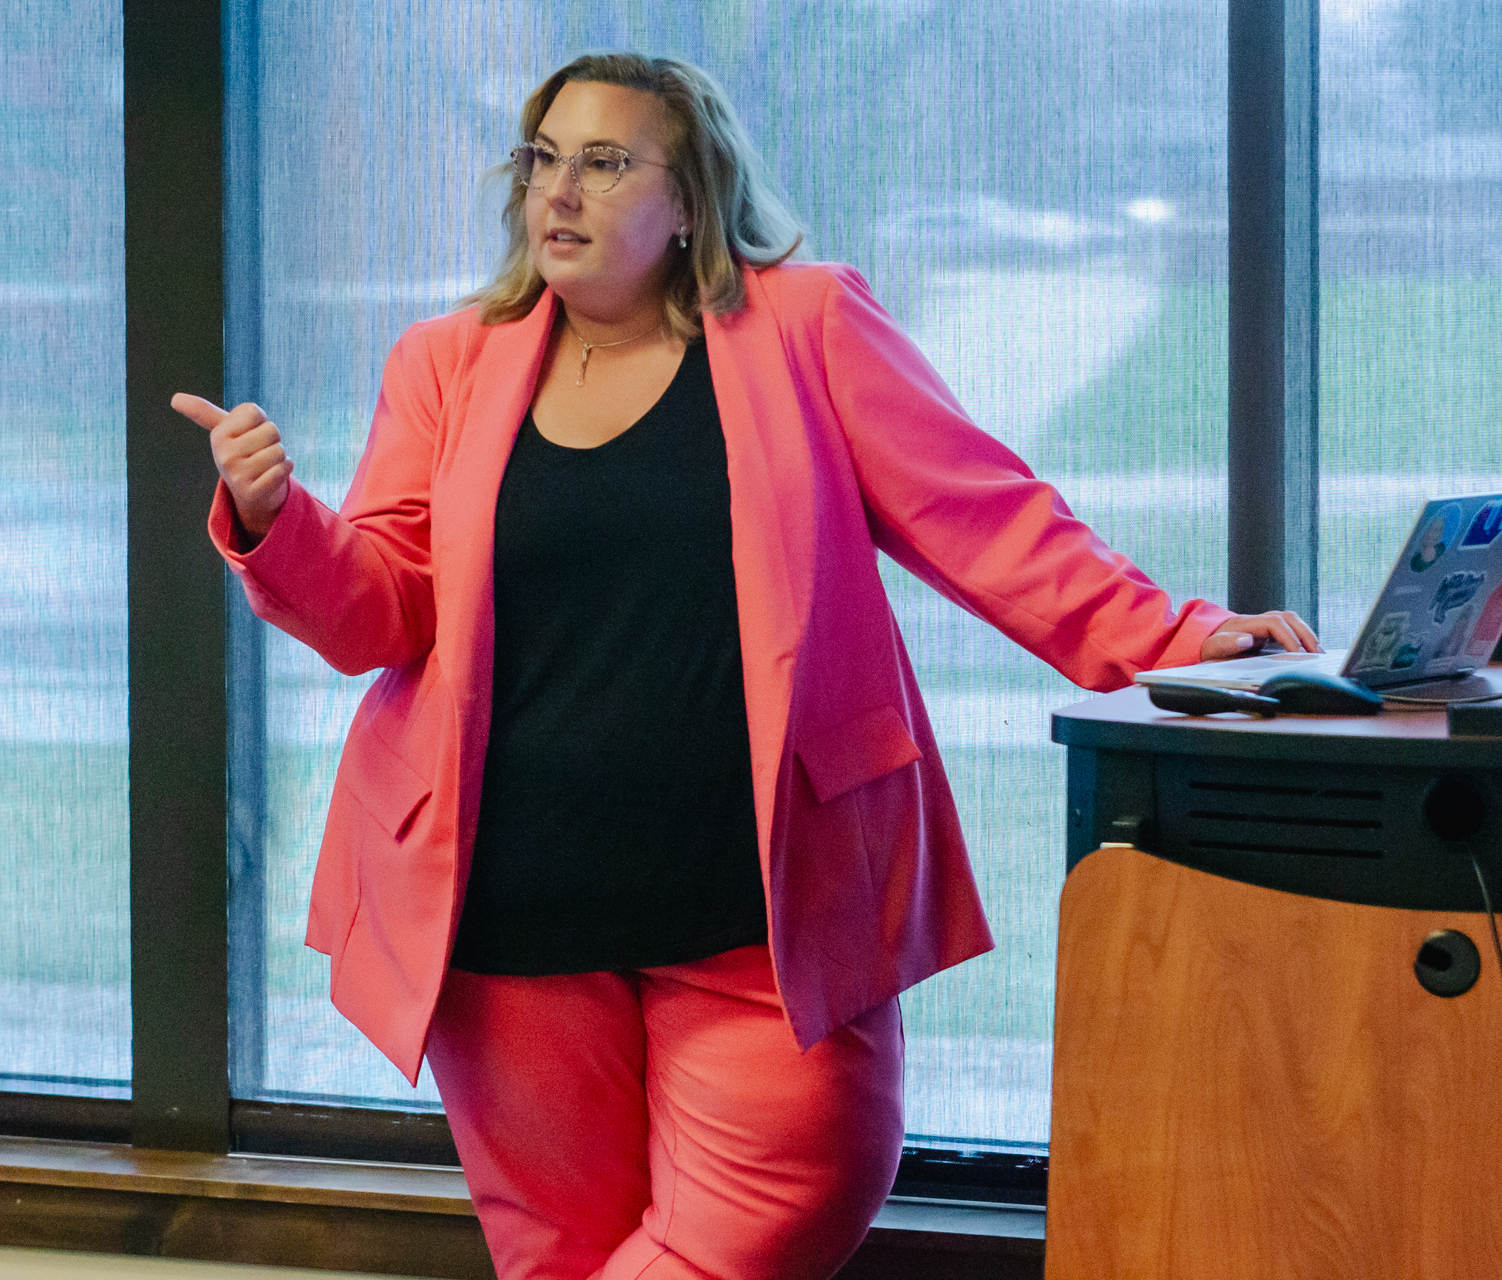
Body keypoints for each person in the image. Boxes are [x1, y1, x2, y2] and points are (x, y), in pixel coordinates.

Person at [174, 51, 1317, 1280]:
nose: (560, 190)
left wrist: (1178, 634)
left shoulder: (808, 326)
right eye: (544, 159)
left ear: (691, 198)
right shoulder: (448, 361)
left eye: (606, 162)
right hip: (509, 918)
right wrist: (277, 521)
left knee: (782, 1206)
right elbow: (384, 613)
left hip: (767, 906)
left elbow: (985, 519)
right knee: (562, 1253)